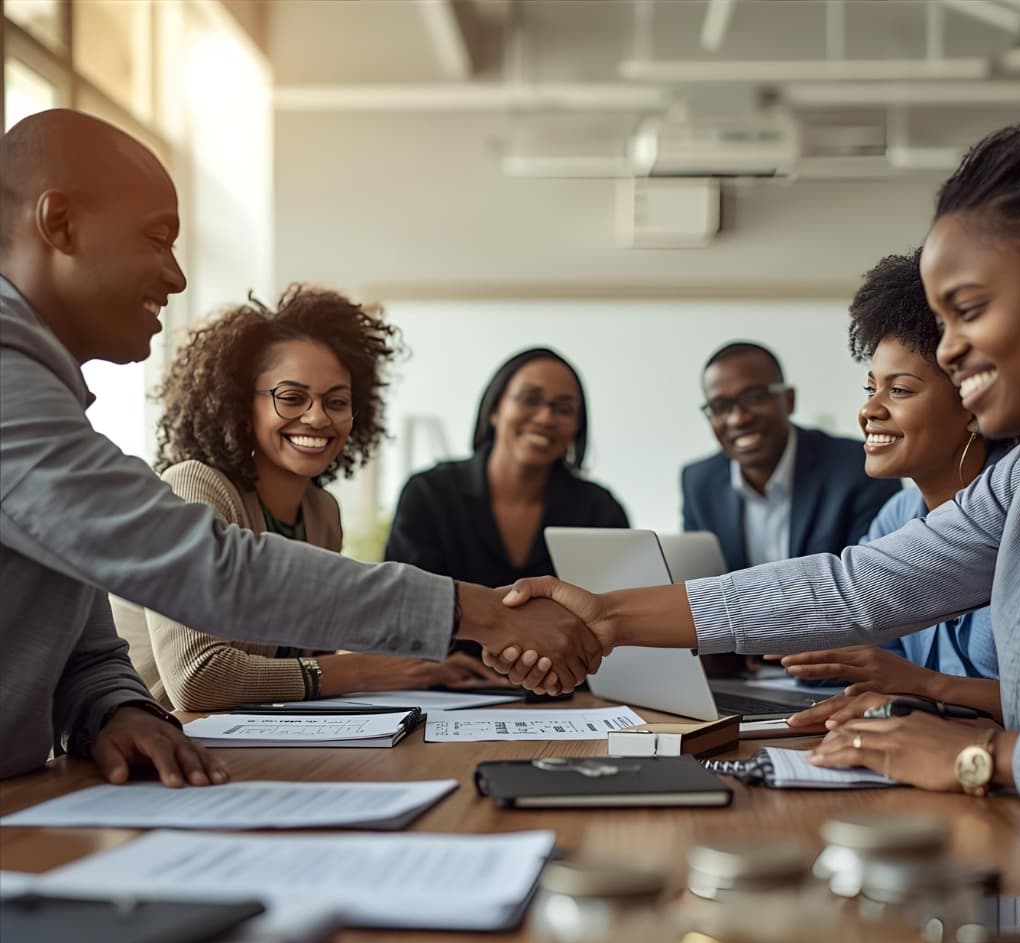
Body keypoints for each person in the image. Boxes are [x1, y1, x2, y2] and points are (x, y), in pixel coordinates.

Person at [492, 110, 1020, 813]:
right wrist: (608, 615)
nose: (950, 350)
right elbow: (858, 586)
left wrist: (984, 753)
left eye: (970, 308)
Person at [0, 109, 598, 787]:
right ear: (60, 223)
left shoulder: (48, 396)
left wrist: (117, 710)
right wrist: (478, 612)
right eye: (157, 238)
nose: (176, 276)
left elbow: (88, 650)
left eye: (337, 400)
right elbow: (207, 569)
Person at [111, 286, 499, 711]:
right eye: (292, 398)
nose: (317, 418)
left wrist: (414, 669)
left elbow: (307, 665)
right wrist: (365, 671)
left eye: (336, 402)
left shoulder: (322, 512)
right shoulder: (194, 486)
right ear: (241, 405)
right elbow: (197, 679)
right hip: (159, 751)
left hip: (249, 746)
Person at [777, 250, 1009, 727]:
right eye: (870, 389)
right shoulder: (897, 516)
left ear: (971, 400)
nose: (869, 410)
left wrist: (924, 685)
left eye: (898, 390)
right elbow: (878, 660)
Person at [384, 347, 629, 654]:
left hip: (565, 690)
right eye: (530, 399)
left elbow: (614, 619)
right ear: (495, 408)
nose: (545, 417)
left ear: (577, 428)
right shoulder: (430, 494)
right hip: (445, 686)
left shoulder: (600, 510)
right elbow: (404, 606)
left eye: (563, 409)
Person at [681, 341, 900, 571]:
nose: (738, 418)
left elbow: (871, 579)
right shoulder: (698, 482)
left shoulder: (859, 467)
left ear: (788, 400)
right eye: (720, 406)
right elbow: (698, 578)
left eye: (755, 398)